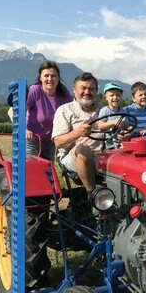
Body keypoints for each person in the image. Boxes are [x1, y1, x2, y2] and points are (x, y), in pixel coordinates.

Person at [51, 72, 104, 200]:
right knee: (83, 149)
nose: (87, 92)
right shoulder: (65, 110)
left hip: (103, 155)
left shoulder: (103, 111)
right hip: (73, 156)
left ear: (96, 91)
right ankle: (93, 196)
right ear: (74, 90)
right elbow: (58, 142)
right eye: (83, 88)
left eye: (91, 88)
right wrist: (77, 133)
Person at [8, 60, 72, 160]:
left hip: (51, 141)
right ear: (40, 77)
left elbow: (71, 112)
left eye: (53, 76)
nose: (50, 79)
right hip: (32, 139)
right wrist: (24, 129)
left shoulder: (63, 92)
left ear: (58, 78)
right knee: (31, 168)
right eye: (46, 75)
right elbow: (12, 110)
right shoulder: (34, 90)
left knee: (47, 171)